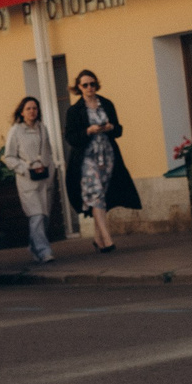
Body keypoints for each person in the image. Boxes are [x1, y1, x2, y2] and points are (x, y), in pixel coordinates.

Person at [62, 70, 139, 253]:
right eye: (85, 85)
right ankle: (107, 239)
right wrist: (88, 131)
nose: (90, 88)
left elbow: (119, 130)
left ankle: (97, 239)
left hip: (107, 155)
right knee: (95, 194)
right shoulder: (74, 110)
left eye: (92, 84)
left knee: (101, 196)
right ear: (78, 87)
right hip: (87, 157)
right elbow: (71, 137)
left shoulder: (106, 104)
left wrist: (111, 127)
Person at [2, 96, 59, 265]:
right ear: (22, 112)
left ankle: (35, 247)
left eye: (34, 108)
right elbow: (9, 157)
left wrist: (51, 169)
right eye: (28, 109)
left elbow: (48, 151)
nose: (32, 111)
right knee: (36, 215)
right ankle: (44, 251)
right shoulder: (16, 131)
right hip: (28, 181)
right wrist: (24, 169)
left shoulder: (43, 128)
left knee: (45, 216)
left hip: (45, 178)